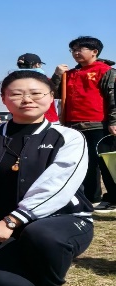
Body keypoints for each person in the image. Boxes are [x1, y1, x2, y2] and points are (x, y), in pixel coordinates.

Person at [0, 70, 93, 286]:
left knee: (41, 234)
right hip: (3, 227)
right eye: (17, 94)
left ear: (51, 97)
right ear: (4, 98)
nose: (27, 100)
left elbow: (56, 186)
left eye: (36, 93)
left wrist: (12, 221)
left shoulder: (68, 137)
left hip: (60, 222)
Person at [51, 36, 116, 210]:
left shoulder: (106, 71)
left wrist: (114, 121)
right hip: (73, 125)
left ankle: (113, 198)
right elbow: (53, 94)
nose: (75, 53)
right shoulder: (69, 74)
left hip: (100, 124)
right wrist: (57, 75)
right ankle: (92, 198)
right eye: (73, 50)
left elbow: (113, 97)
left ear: (94, 51)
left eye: (80, 49)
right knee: (85, 163)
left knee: (106, 162)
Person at [16, 53, 59, 123]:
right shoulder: (44, 80)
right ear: (37, 65)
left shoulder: (12, 82)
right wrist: (57, 75)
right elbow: (57, 93)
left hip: (21, 121)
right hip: (47, 120)